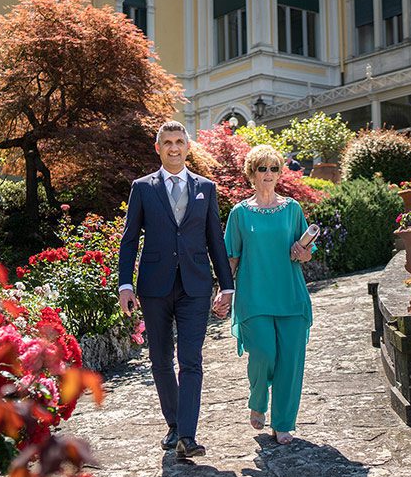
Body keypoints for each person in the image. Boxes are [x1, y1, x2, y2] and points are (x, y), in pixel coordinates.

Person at [118, 121, 235, 459]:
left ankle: (187, 435)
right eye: (167, 142)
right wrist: (125, 283)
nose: (173, 148)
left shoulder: (206, 188)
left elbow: (215, 239)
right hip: (154, 287)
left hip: (195, 286)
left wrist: (227, 286)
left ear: (187, 147)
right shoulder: (142, 188)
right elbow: (129, 240)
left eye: (179, 142)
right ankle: (173, 424)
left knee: (191, 359)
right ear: (158, 148)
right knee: (160, 358)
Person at [224, 144, 313, 445]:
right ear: (252, 173)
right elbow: (231, 257)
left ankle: (284, 422)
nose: (268, 173)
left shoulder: (292, 210)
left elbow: (307, 253)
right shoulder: (239, 213)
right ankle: (257, 399)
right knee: (262, 353)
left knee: (290, 360)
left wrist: (302, 251)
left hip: (290, 295)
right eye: (262, 168)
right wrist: (223, 292)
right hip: (254, 296)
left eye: (274, 168)